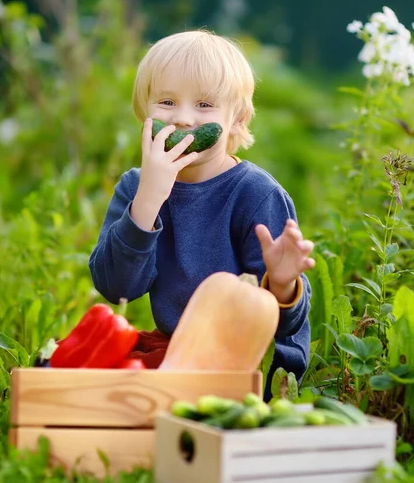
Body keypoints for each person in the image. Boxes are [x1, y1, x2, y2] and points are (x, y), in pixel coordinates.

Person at [88, 29, 315, 398]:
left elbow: (284, 325)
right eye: (166, 101)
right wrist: (148, 201)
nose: (183, 118)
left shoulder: (256, 194)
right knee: (84, 365)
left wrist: (282, 284)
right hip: (179, 348)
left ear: (237, 119)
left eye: (205, 106)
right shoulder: (135, 187)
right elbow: (117, 289)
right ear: (142, 111)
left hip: (251, 362)